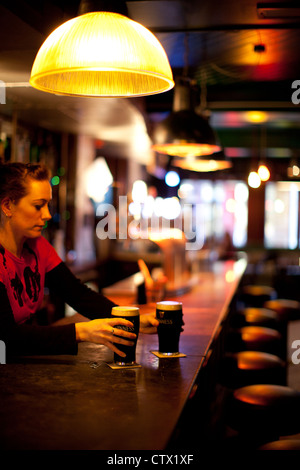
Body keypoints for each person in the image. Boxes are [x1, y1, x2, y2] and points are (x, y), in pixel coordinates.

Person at [0, 162, 158, 359]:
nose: (47, 214)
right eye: (38, 206)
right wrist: (82, 332)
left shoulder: (37, 246)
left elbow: (78, 295)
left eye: (48, 205)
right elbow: (6, 336)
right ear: (7, 206)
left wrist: (129, 318)